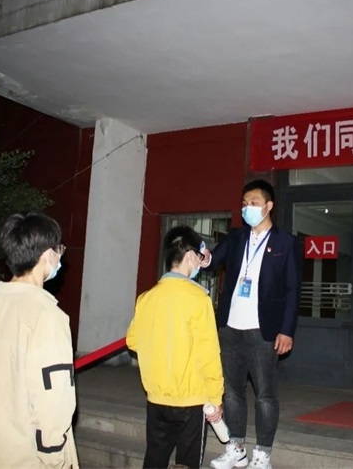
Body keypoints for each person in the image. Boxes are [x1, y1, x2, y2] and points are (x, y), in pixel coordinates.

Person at [0, 211, 78, 469]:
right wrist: (55, 459)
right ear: (47, 255)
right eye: (59, 250)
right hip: (22, 457)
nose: (60, 257)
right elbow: (54, 402)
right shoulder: (48, 316)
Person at [202, 180, 301, 469]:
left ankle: (262, 454)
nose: (248, 208)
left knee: (265, 396)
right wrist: (204, 257)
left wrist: (287, 330)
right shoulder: (236, 237)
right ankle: (236, 449)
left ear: (268, 206)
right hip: (230, 327)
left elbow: (293, 290)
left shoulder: (286, 243)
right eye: (244, 204)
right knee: (232, 391)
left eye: (254, 203)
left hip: (264, 330)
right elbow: (213, 261)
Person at [126, 225, 224, 469]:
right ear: (190, 256)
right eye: (199, 257)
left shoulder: (146, 298)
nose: (200, 263)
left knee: (155, 458)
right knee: (187, 462)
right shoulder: (198, 299)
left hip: (156, 398)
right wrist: (216, 397)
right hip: (191, 400)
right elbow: (208, 354)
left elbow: (133, 341)